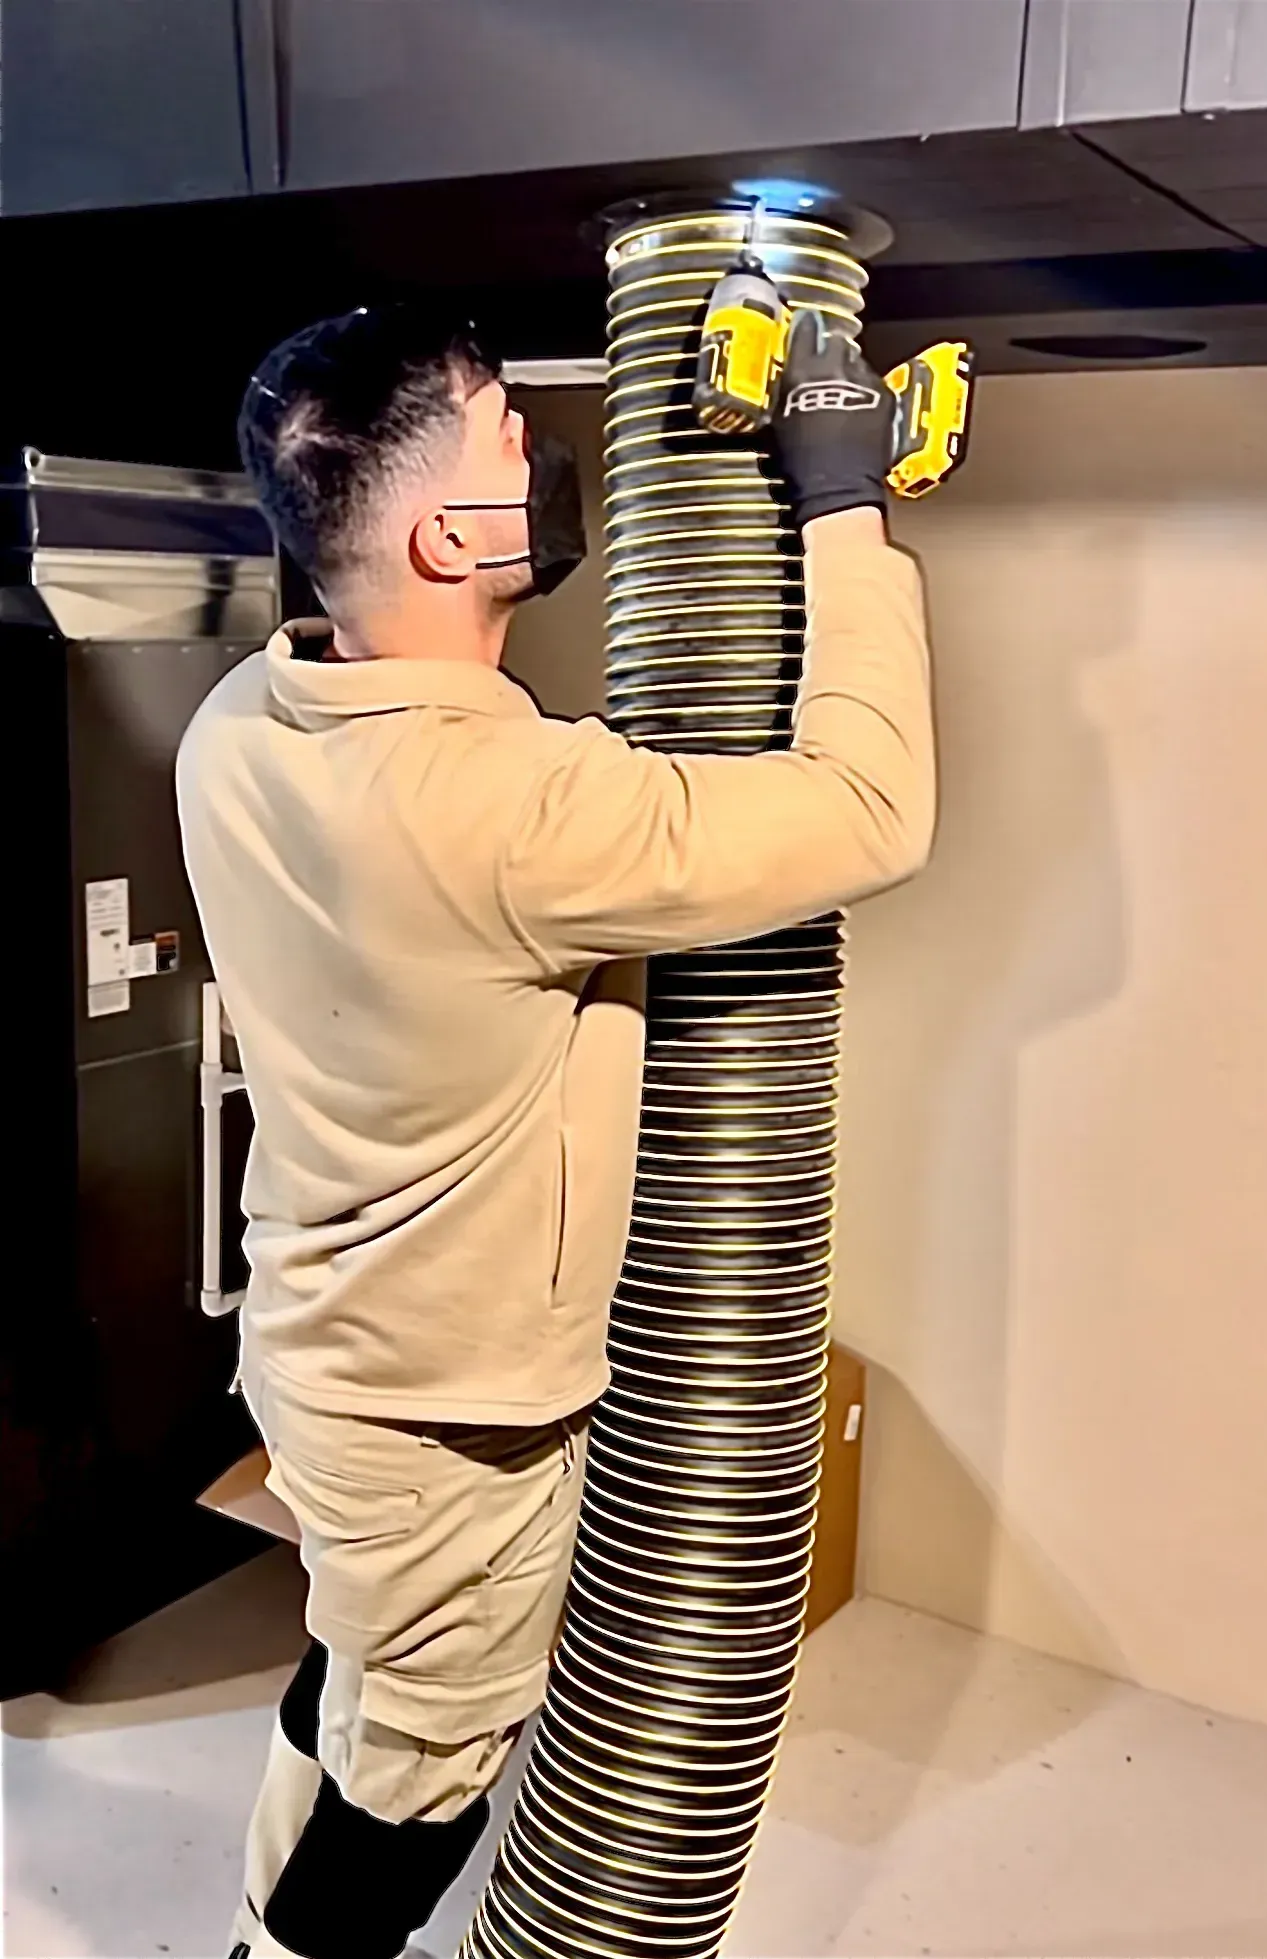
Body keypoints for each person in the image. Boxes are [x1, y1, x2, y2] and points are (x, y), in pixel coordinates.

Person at [177, 301, 936, 1959]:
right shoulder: (519, 814)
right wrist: (842, 511)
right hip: (447, 1419)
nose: (553, 448)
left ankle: (254, 1928)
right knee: (422, 1772)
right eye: (515, 435)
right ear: (452, 535)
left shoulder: (237, 727)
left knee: (360, 1672)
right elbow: (877, 807)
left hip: (319, 1356)